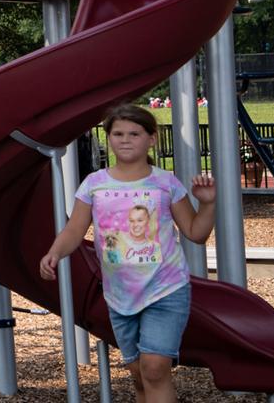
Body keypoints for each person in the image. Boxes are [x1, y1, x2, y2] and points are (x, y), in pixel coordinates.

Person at [41, 103, 217, 403]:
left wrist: (208, 204)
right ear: (108, 137)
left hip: (166, 289)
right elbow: (74, 230)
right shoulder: (94, 185)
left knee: (155, 368)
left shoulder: (165, 183)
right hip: (119, 295)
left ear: (151, 139)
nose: (125, 139)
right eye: (118, 133)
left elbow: (196, 233)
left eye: (134, 133)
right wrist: (55, 252)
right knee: (138, 373)